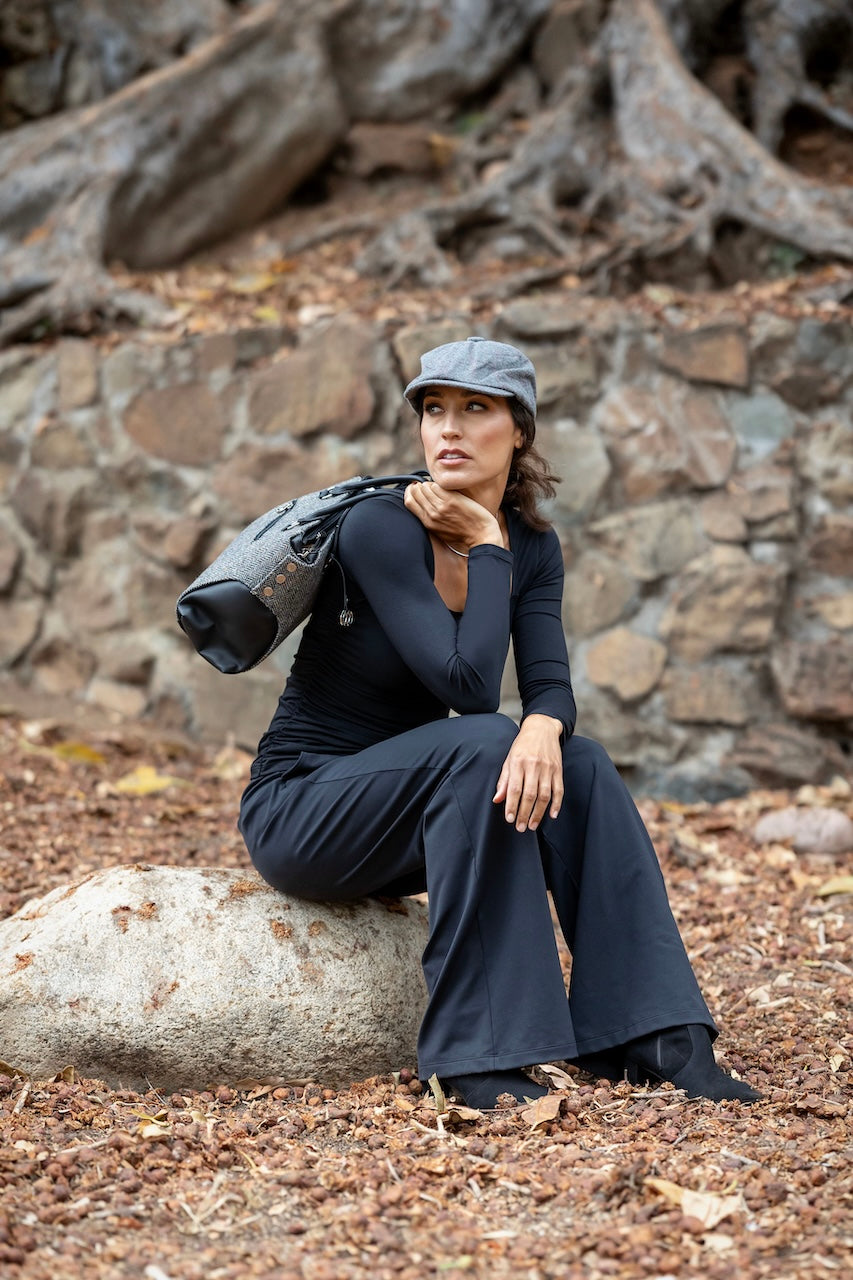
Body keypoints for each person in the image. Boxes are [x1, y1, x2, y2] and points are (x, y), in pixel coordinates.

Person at [238, 336, 760, 1110]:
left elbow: (547, 684)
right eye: (433, 409)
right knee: (486, 741)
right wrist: (484, 546)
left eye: (474, 410)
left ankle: (649, 1033)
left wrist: (547, 727)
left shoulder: (535, 545)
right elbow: (469, 687)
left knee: (577, 764)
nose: (446, 428)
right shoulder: (379, 527)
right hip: (306, 811)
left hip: (420, 814)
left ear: (518, 430)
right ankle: (477, 1055)